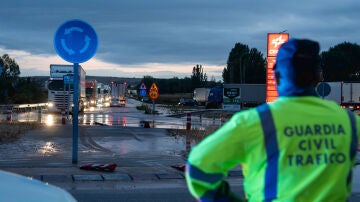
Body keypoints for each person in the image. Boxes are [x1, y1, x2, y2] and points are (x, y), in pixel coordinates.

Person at [185, 38, 360, 201]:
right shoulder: (349, 121)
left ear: (276, 77)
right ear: (318, 77)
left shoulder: (253, 122)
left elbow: (198, 169)